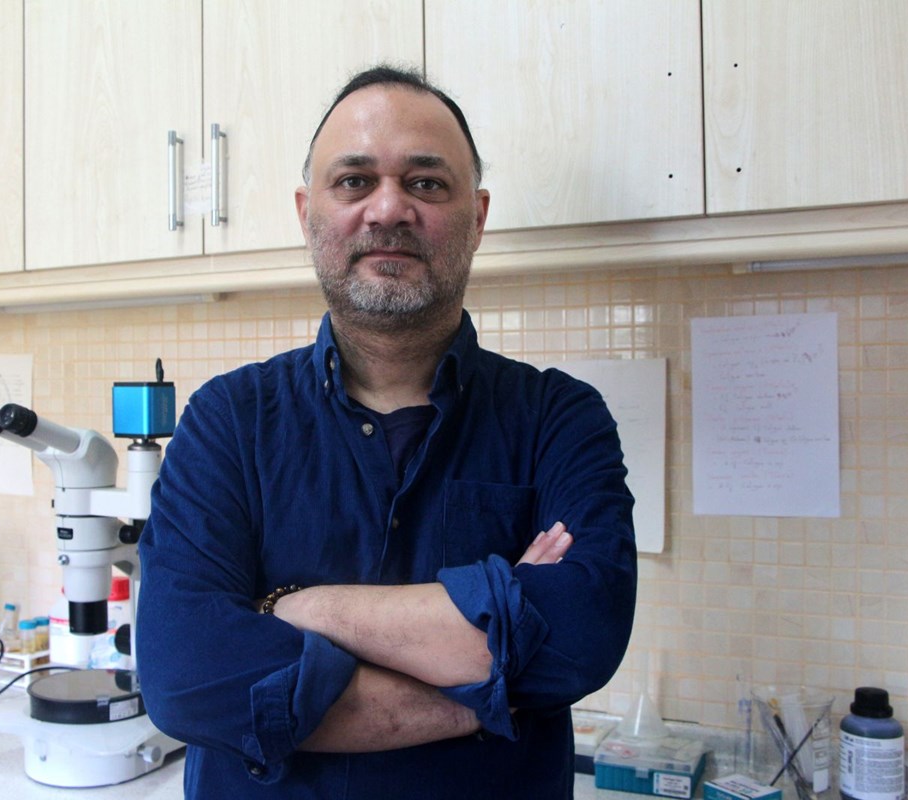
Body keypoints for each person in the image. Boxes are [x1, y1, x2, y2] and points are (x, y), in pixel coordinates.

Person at [136, 65, 637, 799]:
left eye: (426, 183)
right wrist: (487, 686)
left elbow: (580, 636)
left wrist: (301, 607)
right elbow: (187, 678)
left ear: (478, 216)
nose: (389, 208)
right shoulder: (226, 421)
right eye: (354, 181)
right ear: (308, 212)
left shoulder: (560, 419)